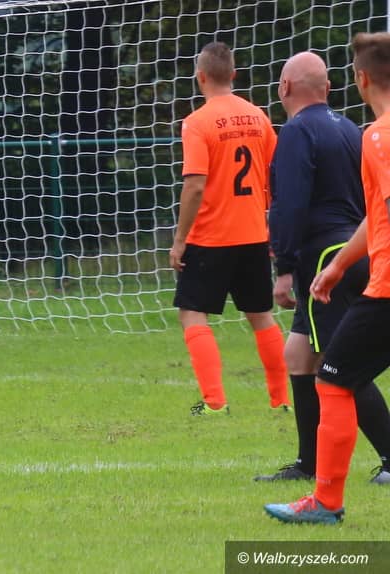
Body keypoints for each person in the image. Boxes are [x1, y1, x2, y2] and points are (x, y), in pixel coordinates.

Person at [265, 32, 390, 524]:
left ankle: (332, 495)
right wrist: (339, 265)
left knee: (337, 373)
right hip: (352, 259)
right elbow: (371, 211)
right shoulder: (355, 130)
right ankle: (312, 470)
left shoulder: (364, 135)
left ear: (361, 79)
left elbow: (291, 202)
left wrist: (286, 264)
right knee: (308, 357)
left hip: (353, 267)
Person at [170, 41, 290, 416]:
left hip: (211, 236)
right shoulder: (258, 117)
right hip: (253, 233)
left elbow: (195, 185)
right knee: (261, 315)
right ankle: (281, 400)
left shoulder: (198, 122)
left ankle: (214, 402)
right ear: (234, 75)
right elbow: (275, 175)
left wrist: (179, 240)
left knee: (192, 312)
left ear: (201, 77)